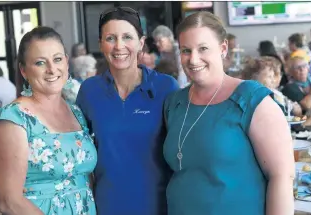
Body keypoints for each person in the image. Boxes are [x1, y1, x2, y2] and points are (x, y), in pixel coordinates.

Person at [163, 11, 295, 215]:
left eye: (203, 48)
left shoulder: (251, 99)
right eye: (186, 50)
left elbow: (282, 177)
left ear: (223, 48)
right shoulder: (174, 103)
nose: (193, 59)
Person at [76, 7, 179, 215]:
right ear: (100, 44)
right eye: (110, 38)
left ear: (141, 43)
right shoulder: (90, 90)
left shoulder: (166, 87)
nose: (119, 46)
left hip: (159, 206)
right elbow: (79, 152)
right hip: (106, 206)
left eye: (127, 37)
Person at [0, 26, 97, 215]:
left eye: (57, 59)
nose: (52, 69)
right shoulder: (14, 119)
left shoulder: (76, 112)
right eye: (40, 63)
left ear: (67, 63)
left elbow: (86, 179)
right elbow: (9, 202)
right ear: (23, 70)